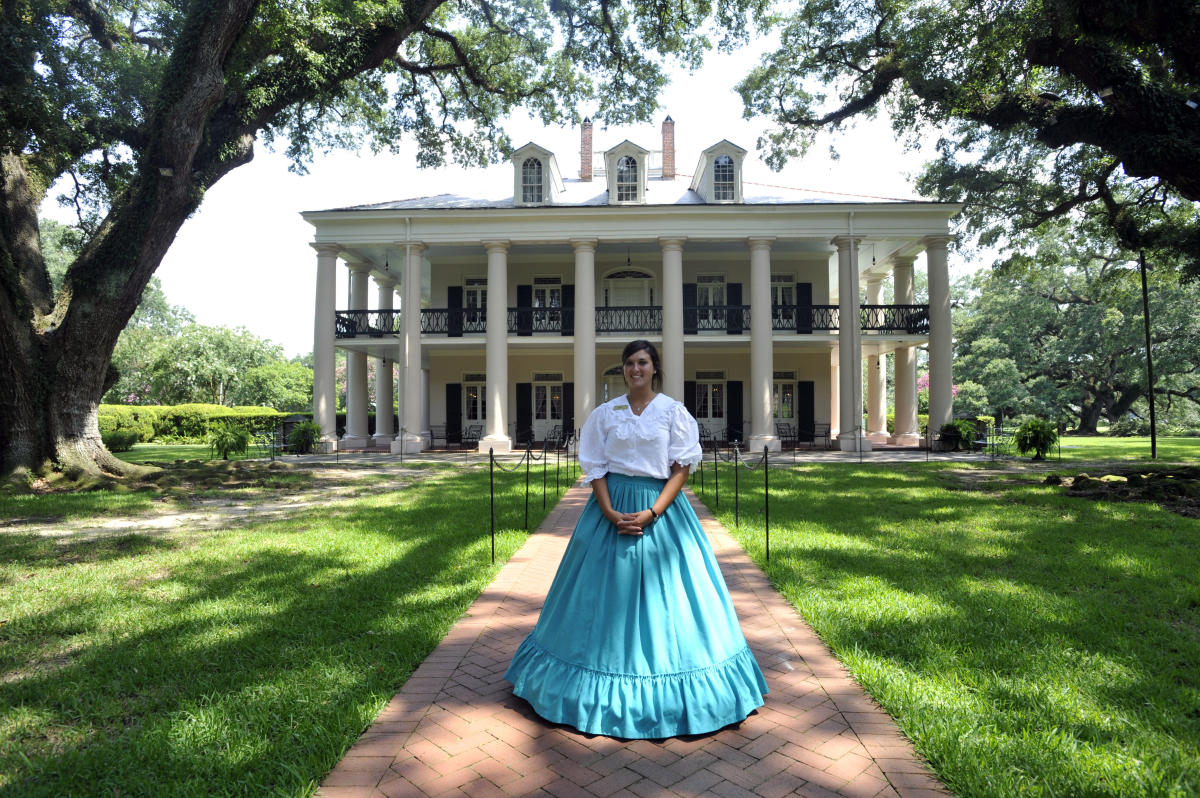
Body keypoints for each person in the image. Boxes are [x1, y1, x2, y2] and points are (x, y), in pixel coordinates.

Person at [505, 339, 768, 738]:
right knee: (592, 599)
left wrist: (653, 511)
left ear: (654, 368)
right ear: (623, 369)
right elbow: (595, 467)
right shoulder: (605, 414)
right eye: (629, 363)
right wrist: (610, 512)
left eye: (642, 362)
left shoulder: (673, 413)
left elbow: (681, 469)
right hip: (609, 510)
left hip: (661, 511)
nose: (635, 369)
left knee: (673, 601)